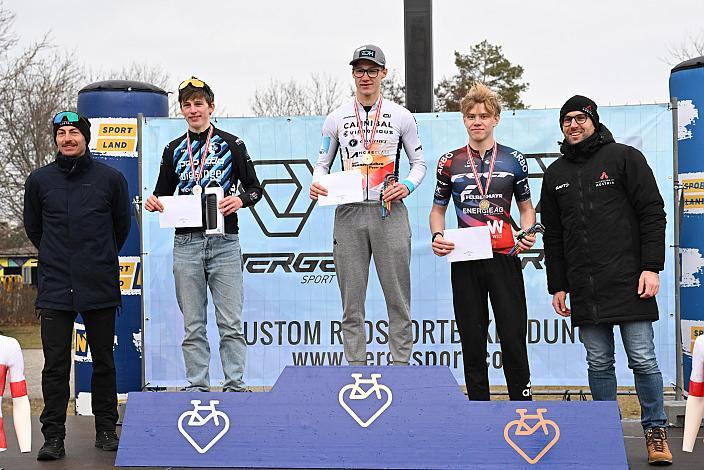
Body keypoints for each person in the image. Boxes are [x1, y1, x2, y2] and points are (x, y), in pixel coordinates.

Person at [540, 95, 672, 465]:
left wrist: (652, 267)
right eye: (566, 120)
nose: (573, 125)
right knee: (598, 364)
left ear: (594, 120)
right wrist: (558, 284)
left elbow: (652, 213)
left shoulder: (625, 158)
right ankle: (605, 435)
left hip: (631, 281)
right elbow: (553, 235)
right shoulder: (555, 175)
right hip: (585, 286)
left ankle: (655, 432)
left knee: (644, 360)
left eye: (580, 118)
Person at [310, 45, 427, 365]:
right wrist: (318, 182)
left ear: (384, 74)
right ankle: (356, 373)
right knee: (351, 303)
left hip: (388, 210)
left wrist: (406, 186)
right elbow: (322, 164)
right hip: (348, 213)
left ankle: (400, 369)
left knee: (398, 300)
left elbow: (419, 164)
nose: (365, 77)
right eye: (360, 71)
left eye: (372, 71)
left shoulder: (402, 116)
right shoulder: (336, 118)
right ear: (352, 74)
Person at [144, 77, 262, 392]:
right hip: (186, 243)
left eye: (199, 103)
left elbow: (255, 190)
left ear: (211, 106)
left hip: (224, 243)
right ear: (181, 109)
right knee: (192, 324)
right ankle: (197, 386)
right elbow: (160, 194)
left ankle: (235, 385)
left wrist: (239, 199)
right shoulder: (173, 150)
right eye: (187, 104)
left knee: (230, 323)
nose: (193, 109)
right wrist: (153, 202)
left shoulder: (232, 144)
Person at [24, 111, 130, 459]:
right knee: (55, 365)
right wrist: (60, 256)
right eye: (61, 133)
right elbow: (35, 230)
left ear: (85, 137)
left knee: (103, 361)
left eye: (74, 133)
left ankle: (105, 429)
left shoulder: (111, 179)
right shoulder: (39, 181)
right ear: (56, 139)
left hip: (98, 282)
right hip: (55, 285)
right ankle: (53, 437)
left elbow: (120, 229)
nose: (67, 139)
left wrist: (94, 258)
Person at [430, 83, 535, 401]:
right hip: (465, 257)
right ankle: (478, 408)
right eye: (471, 116)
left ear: (496, 119)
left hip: (504, 255)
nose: (477, 121)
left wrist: (527, 233)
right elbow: (438, 211)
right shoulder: (449, 161)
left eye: (484, 116)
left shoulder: (513, 159)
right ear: (464, 119)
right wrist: (437, 236)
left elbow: (527, 209)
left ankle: (522, 406)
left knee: (513, 334)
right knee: (472, 338)